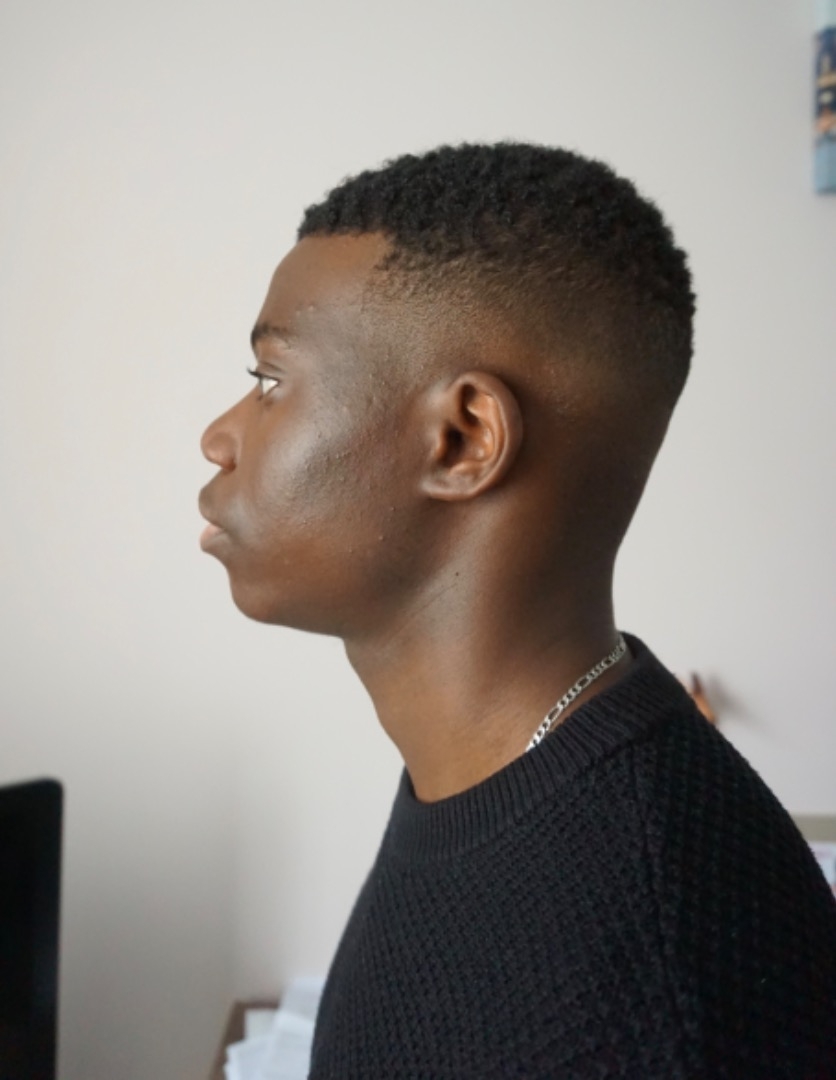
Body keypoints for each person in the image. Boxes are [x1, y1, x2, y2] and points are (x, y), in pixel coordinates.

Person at [199, 143, 836, 1079]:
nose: (218, 436)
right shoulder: (495, 770)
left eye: (270, 382)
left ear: (463, 441)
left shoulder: (635, 1002)